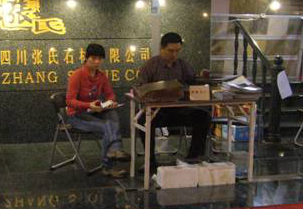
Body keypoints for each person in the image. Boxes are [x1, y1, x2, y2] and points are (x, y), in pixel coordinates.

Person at [136, 32, 212, 174]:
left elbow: (193, 81)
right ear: (162, 48)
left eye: (177, 51)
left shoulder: (182, 64)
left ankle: (194, 157)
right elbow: (141, 88)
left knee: (203, 116)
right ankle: (150, 161)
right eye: (170, 51)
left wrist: (201, 78)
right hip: (158, 111)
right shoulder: (150, 65)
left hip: (178, 109)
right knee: (143, 121)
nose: (174, 55)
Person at [66, 43, 130, 178]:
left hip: (94, 111)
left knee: (112, 113)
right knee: (108, 127)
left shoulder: (101, 76)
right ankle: (110, 161)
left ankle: (114, 151)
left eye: (100, 59)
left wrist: (110, 102)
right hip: (77, 115)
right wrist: (88, 105)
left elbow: (110, 94)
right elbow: (70, 101)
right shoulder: (77, 75)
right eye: (93, 58)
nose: (97, 62)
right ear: (86, 58)